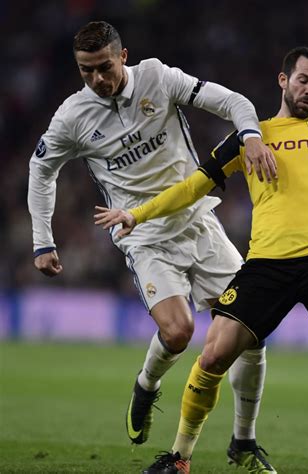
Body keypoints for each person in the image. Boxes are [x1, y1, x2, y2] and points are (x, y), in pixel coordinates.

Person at [95, 8, 308, 474]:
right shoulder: (250, 138)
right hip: (265, 266)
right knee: (213, 356)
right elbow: (191, 188)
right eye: (304, 80)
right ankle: (179, 458)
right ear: (283, 80)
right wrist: (136, 213)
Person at [27, 20, 279, 473]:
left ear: (123, 56)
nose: (96, 79)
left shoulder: (157, 78)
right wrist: (42, 240)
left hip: (198, 222)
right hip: (143, 236)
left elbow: (234, 102)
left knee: (252, 330)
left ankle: (243, 441)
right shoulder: (72, 117)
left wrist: (251, 135)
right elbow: (41, 170)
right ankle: (146, 385)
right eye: (86, 71)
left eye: (104, 67)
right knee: (179, 332)